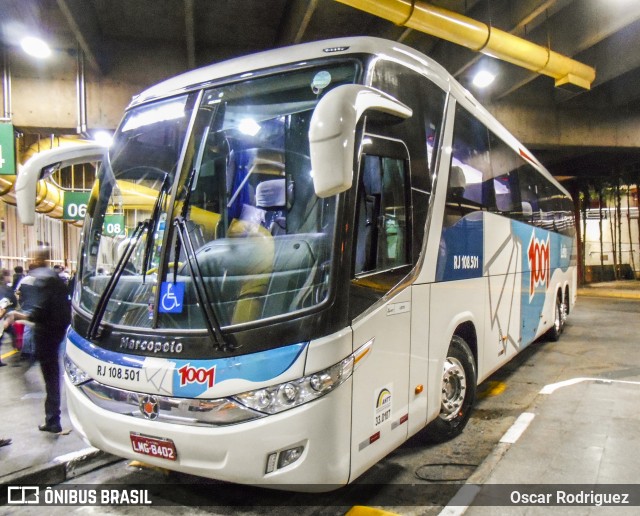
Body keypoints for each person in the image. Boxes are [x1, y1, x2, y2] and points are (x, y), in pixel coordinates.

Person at [2, 247, 71, 433]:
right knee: (51, 376)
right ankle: (52, 419)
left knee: (50, 376)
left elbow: (41, 309)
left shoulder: (45, 279)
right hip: (54, 333)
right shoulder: (54, 278)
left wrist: (21, 315)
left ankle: (53, 420)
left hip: (45, 334)